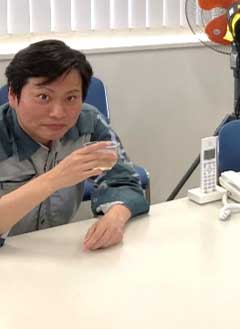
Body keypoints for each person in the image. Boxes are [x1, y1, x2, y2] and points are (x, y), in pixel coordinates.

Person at [0, 40, 149, 250]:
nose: (58, 113)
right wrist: (54, 179)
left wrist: (116, 216)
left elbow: (124, 181)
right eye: (43, 97)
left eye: (71, 98)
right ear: (13, 96)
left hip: (60, 251)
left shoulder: (89, 122)